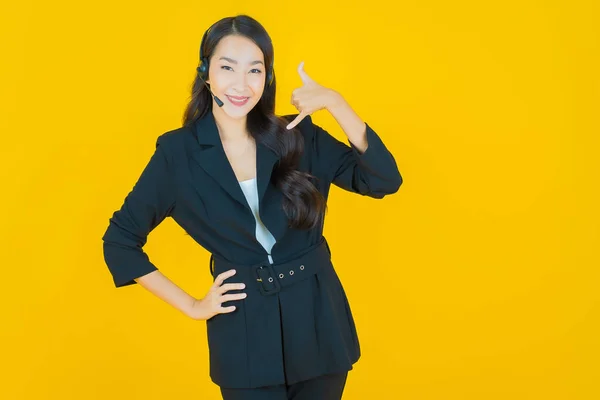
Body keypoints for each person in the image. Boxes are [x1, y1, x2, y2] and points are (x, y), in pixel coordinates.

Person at [101, 14, 402, 400]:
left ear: (267, 78)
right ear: (206, 72)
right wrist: (193, 305)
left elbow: (383, 180)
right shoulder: (178, 154)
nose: (241, 85)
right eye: (227, 67)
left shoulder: (298, 134)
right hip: (244, 337)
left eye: (255, 70)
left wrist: (335, 103)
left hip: (318, 324)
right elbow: (120, 240)